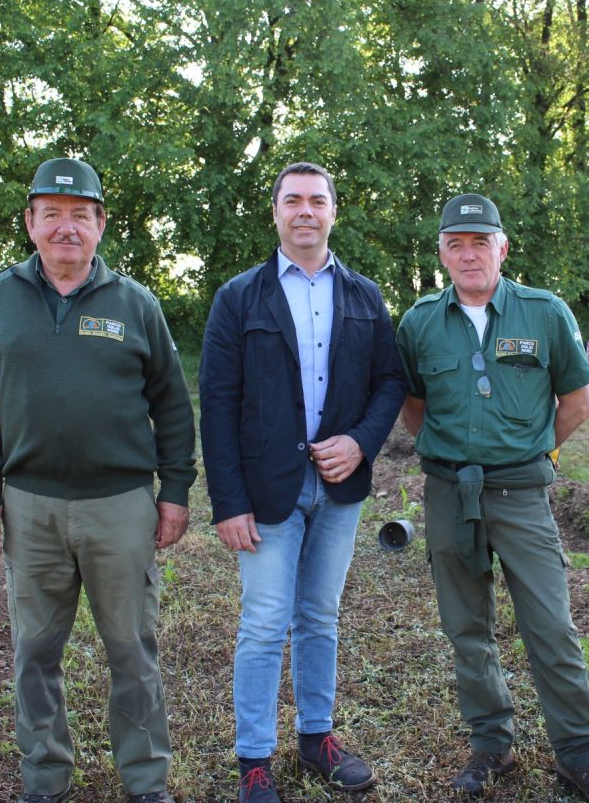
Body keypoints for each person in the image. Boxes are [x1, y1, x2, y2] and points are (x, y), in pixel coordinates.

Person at [0, 158, 195, 803]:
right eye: (52, 214)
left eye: (80, 216)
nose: (67, 228)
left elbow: (172, 405)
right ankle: (45, 779)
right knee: (34, 655)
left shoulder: (135, 304)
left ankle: (146, 782)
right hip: (29, 507)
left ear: (100, 225)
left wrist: (173, 493)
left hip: (119, 509)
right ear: (31, 223)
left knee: (132, 651)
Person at [396, 193, 589, 803]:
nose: (469, 255)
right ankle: (491, 745)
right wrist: (452, 457)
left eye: (481, 242)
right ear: (442, 252)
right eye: (456, 244)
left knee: (550, 626)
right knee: (466, 627)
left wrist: (529, 452)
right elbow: (414, 407)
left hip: (522, 497)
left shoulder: (544, 313)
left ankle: (578, 756)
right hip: (450, 495)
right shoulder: (419, 322)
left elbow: (577, 401)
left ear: (503, 246)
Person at [198, 162, 407, 803]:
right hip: (267, 492)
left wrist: (361, 442)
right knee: (265, 623)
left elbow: (390, 382)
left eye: (318, 201)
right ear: (277, 213)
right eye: (294, 201)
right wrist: (228, 502)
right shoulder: (240, 297)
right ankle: (254, 760)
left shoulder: (365, 296)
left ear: (333, 212)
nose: (306, 211)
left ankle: (317, 737)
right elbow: (218, 403)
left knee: (320, 617)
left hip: (338, 488)